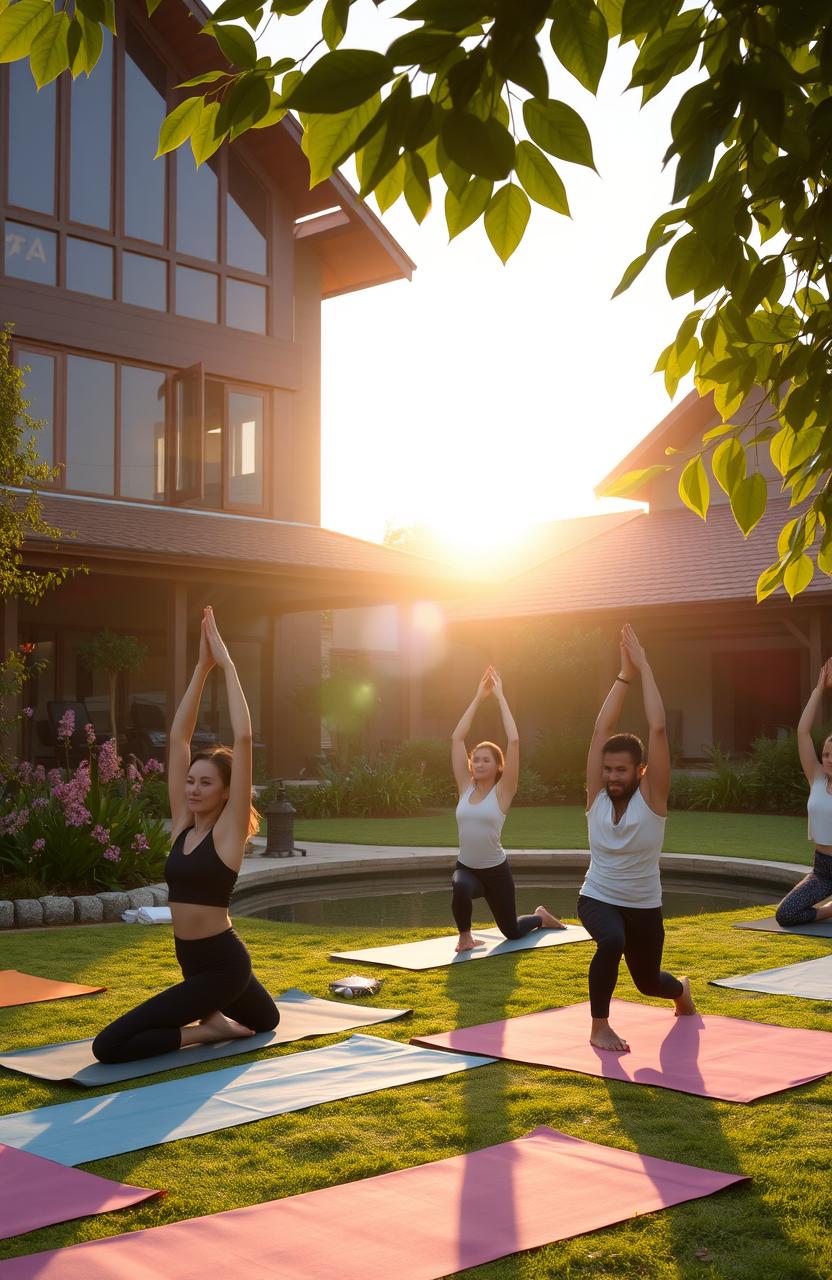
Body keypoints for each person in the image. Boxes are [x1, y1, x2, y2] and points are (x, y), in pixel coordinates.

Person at [93, 606, 278, 1063]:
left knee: (109, 1046)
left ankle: (208, 1030)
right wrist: (200, 668)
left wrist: (228, 664)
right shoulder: (183, 825)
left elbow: (245, 736)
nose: (193, 789)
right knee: (267, 1019)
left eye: (205, 783)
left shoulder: (228, 834)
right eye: (190, 781)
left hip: (221, 964)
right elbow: (178, 738)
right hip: (191, 960)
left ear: (226, 792)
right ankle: (217, 1019)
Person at [578, 624, 695, 1053]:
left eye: (620, 770)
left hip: (644, 905)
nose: (611, 777)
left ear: (640, 771)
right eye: (607, 770)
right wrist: (623, 675)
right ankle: (599, 1027)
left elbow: (659, 729)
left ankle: (681, 991)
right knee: (610, 940)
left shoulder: (653, 798)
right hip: (598, 895)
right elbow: (599, 730)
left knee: (649, 983)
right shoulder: (596, 796)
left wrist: (645, 667)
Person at [450, 665, 563, 954]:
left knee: (511, 932)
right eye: (475, 760)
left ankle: (540, 917)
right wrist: (478, 697)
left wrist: (500, 697)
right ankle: (465, 936)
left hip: (496, 873)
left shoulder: (503, 792)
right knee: (460, 886)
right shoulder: (466, 787)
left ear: (498, 766)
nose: (478, 764)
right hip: (468, 870)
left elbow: (514, 740)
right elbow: (456, 738)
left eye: (486, 760)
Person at [774, 659, 832, 927]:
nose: (829, 759)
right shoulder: (817, 778)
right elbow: (802, 731)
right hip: (823, 870)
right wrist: (819, 689)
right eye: (826, 754)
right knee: (786, 914)